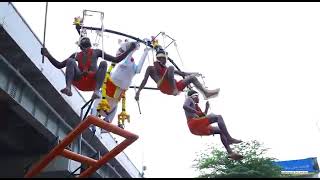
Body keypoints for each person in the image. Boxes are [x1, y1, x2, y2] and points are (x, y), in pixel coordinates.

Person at [40, 36, 137, 99]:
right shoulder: (77, 55)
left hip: (93, 81)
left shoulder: (96, 52)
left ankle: (96, 91)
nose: (86, 50)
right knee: (70, 61)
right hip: (80, 79)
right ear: (81, 47)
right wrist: (48, 55)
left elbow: (116, 60)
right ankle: (68, 87)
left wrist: (129, 50)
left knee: (103, 63)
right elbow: (59, 65)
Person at [91, 39, 150, 128]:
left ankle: (106, 123)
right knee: (107, 101)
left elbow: (138, 70)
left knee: (113, 104)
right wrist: (133, 48)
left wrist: (145, 51)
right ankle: (102, 123)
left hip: (117, 89)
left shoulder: (129, 62)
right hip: (115, 85)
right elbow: (125, 60)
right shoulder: (124, 61)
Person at [135, 47, 219, 101]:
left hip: (175, 86)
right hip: (163, 85)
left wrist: (194, 73)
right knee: (171, 68)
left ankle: (206, 94)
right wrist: (138, 92)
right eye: (163, 59)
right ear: (160, 58)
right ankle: (174, 89)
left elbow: (182, 73)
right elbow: (144, 80)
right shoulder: (151, 68)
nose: (165, 61)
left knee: (192, 78)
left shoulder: (166, 69)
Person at [183, 89, 244, 160]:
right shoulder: (189, 99)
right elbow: (185, 106)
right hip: (193, 123)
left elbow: (203, 116)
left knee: (221, 131)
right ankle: (229, 138)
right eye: (197, 96)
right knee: (218, 117)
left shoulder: (196, 106)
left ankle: (230, 152)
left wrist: (206, 108)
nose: (199, 98)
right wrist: (197, 112)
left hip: (197, 128)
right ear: (194, 96)